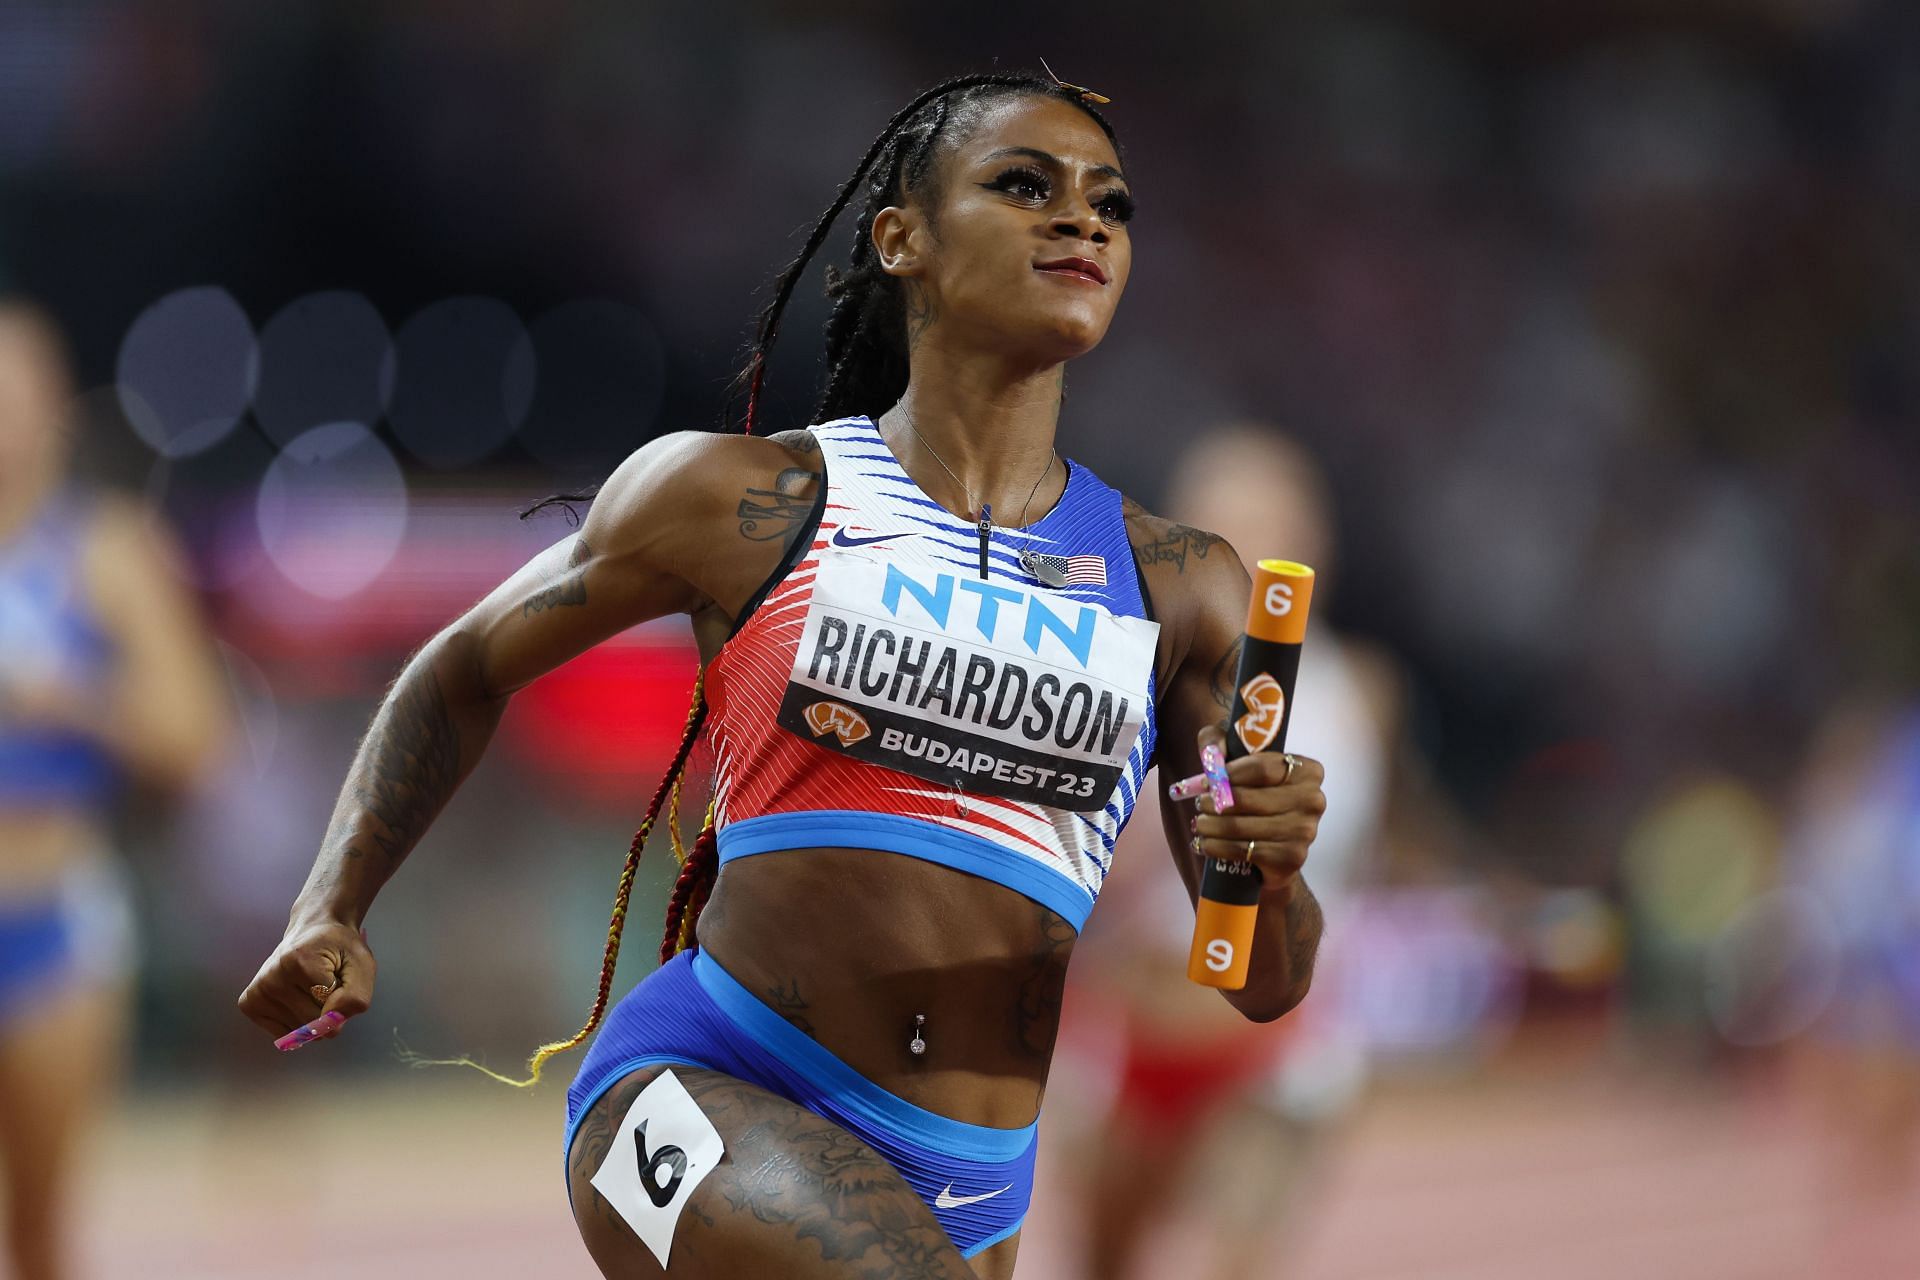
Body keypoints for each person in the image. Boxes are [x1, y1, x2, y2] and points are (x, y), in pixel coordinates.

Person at [238, 70, 1329, 1280]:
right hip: (708, 1084)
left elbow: (1261, 981)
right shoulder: (746, 501)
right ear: (900, 238)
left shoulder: (1183, 586)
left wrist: (1268, 879)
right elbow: (459, 668)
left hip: (974, 1178)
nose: (1081, 222)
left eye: (1110, 205)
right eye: (1025, 185)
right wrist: (331, 901)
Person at [1067, 425, 1398, 1279]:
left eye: (1262, 526)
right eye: (1216, 525)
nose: (1238, 547)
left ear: (1307, 548)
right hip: (1139, 1030)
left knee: (1240, 1259)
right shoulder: (1127, 671)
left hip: (1266, 1049)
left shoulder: (1345, 696)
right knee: (1104, 1258)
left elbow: (1339, 864)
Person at [0, 300, 231, 1280]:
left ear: (52, 408)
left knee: (43, 1232)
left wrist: (70, 699)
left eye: (11, 391)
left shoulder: (107, 551)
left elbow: (195, 738)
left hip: (51, 926)